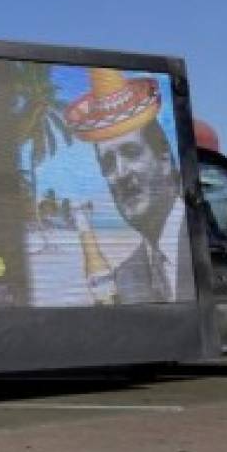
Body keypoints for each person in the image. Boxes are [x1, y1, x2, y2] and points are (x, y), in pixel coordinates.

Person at [65, 69, 193, 304]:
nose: (120, 173)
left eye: (131, 153)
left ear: (164, 157)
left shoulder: (200, 242)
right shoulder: (124, 278)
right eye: (108, 163)